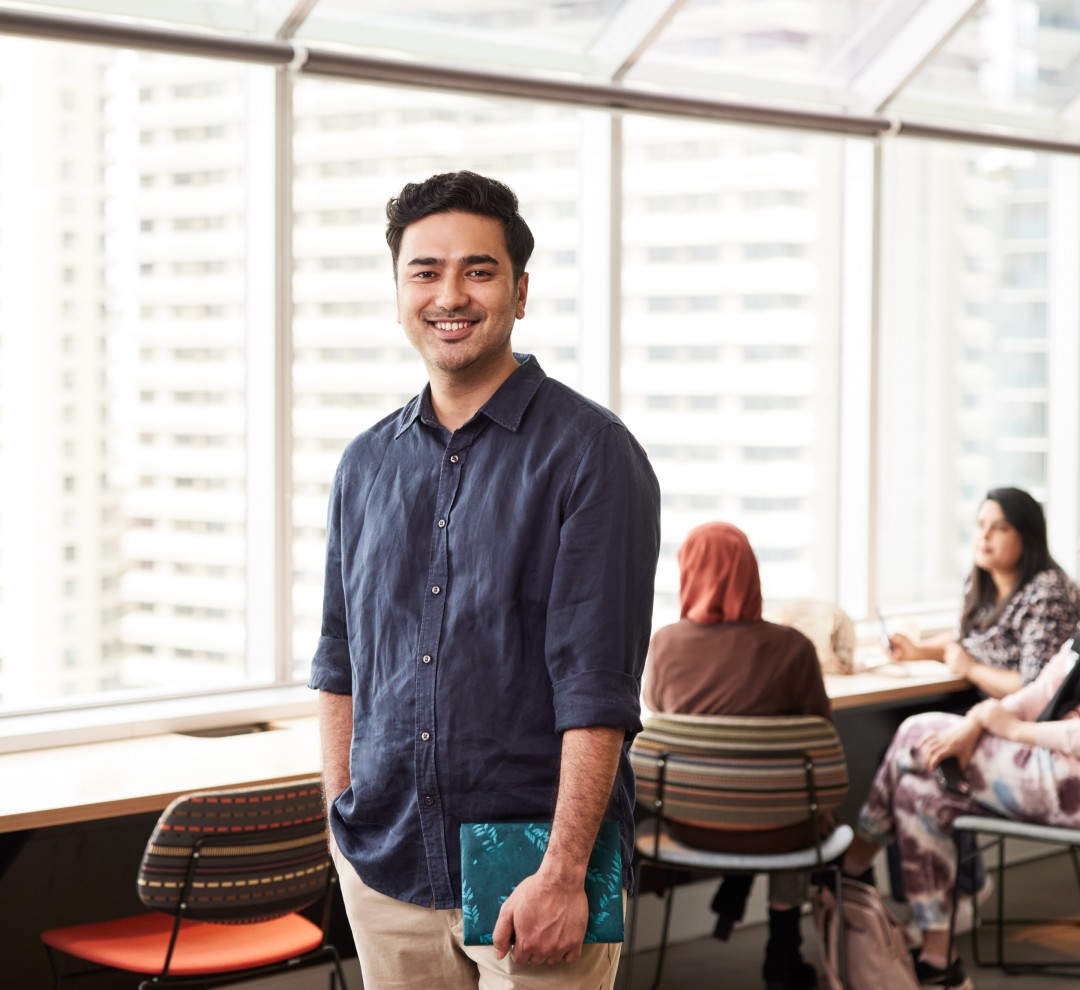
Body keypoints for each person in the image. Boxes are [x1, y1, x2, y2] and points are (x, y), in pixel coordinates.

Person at [308, 171, 661, 989]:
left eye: (479, 269)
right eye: (425, 271)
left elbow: (596, 688)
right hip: (387, 861)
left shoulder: (591, 454)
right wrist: (343, 828)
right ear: (398, 293)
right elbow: (340, 660)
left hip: (535, 865)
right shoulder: (365, 465)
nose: (449, 295)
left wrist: (566, 871)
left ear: (521, 291)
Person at [643, 521, 832, 990]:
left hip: (690, 827)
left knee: (758, 800)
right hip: (780, 833)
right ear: (752, 574)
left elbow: (659, 717)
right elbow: (821, 739)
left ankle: (735, 889)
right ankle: (783, 950)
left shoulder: (663, 646)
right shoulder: (794, 649)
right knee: (798, 805)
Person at [843, 628, 1080, 990]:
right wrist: (976, 722)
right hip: (1047, 762)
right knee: (918, 791)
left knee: (916, 731)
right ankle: (939, 961)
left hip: (1069, 782)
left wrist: (1013, 730)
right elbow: (1041, 691)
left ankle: (852, 864)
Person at [887, 487, 1080, 697]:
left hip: (1027, 720)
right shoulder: (980, 581)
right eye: (980, 525)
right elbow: (967, 641)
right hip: (987, 705)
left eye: (1000, 527)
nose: (985, 535)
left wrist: (971, 669)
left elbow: (1035, 687)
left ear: (1027, 536)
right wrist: (917, 650)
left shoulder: (1049, 592)